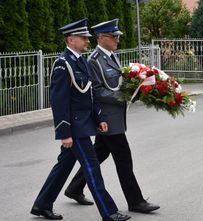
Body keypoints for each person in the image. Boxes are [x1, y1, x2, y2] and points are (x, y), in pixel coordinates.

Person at [30, 18, 130, 221]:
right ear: (70, 40)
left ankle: (41, 204)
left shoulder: (81, 61)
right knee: (92, 168)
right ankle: (109, 212)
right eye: (83, 38)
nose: (87, 41)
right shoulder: (62, 64)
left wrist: (99, 117)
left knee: (64, 166)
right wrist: (64, 133)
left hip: (85, 124)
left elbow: (89, 94)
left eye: (86, 37)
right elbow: (59, 103)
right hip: (75, 129)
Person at [64, 18, 160, 214]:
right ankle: (136, 201)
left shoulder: (112, 56)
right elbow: (96, 92)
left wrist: (138, 86)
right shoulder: (94, 61)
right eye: (113, 36)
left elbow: (117, 82)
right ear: (101, 37)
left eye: (117, 36)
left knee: (100, 153)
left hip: (114, 117)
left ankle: (74, 188)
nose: (117, 40)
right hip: (107, 119)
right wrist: (124, 96)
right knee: (124, 158)